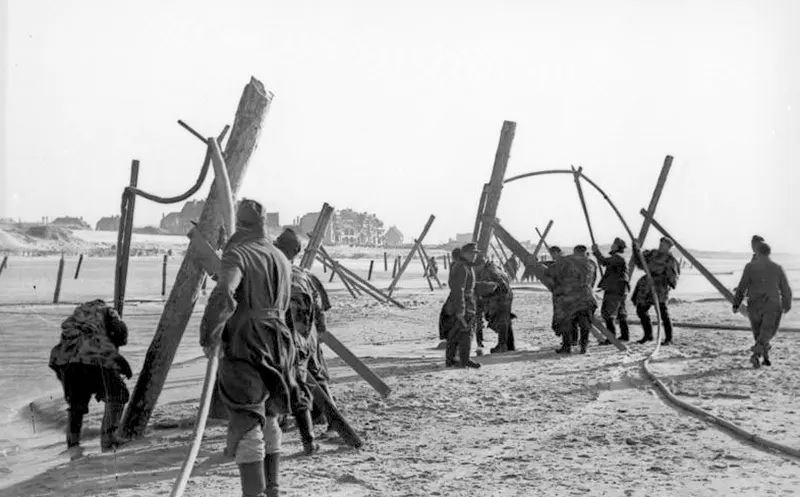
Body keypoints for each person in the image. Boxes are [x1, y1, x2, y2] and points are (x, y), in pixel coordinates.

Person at [199, 199, 295, 497]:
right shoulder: (280, 257)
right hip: (280, 342)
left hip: (246, 342)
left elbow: (224, 293)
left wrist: (210, 337)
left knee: (246, 419)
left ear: (239, 225)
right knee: (270, 415)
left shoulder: (238, 254)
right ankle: (273, 489)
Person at [274, 228, 334, 455]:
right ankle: (328, 420)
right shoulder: (306, 276)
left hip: (288, 336)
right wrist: (318, 335)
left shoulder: (276, 274)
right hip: (308, 336)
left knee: (284, 377)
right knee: (317, 375)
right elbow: (321, 311)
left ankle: (283, 422)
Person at [49, 299, 132, 460]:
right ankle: (108, 438)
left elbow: (61, 355)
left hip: (68, 366)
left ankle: (73, 446)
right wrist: (118, 360)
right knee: (119, 395)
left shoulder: (77, 317)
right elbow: (114, 335)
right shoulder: (109, 313)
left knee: (76, 407)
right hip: (94, 362)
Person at [733, 242, 792, 368]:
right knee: (767, 332)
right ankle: (756, 355)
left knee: (758, 333)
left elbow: (742, 286)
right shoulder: (777, 268)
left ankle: (764, 357)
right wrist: (787, 303)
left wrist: (736, 303)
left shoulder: (750, 267)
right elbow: (785, 288)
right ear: (769, 253)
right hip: (772, 304)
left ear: (757, 253)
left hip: (754, 305)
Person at [531, 246, 597, 354]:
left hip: (569, 299)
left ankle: (566, 347)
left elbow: (549, 272)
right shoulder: (591, 263)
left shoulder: (565, 261)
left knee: (567, 323)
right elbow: (593, 280)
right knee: (585, 324)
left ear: (574, 251)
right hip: (587, 297)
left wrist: (537, 264)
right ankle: (584, 347)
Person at [631, 237, 680, 345]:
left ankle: (669, 339)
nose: (661, 246)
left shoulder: (670, 260)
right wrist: (635, 248)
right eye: (660, 244)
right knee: (641, 310)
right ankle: (648, 335)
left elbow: (673, 277)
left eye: (664, 245)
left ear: (669, 247)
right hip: (647, 285)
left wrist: (665, 281)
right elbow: (640, 261)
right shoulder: (652, 254)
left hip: (660, 288)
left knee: (663, 313)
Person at [440, 242, 482, 368]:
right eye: (471, 253)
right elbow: (459, 289)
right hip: (462, 303)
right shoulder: (462, 267)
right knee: (463, 332)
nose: (474, 256)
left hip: (465, 302)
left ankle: (459, 359)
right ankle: (460, 360)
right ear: (464, 253)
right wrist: (461, 309)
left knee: (459, 332)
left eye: (475, 253)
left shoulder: (465, 266)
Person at [592, 237, 631, 343]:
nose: (612, 246)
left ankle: (611, 337)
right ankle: (625, 336)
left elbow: (604, 261)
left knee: (608, 313)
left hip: (615, 289)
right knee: (621, 313)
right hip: (620, 289)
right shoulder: (619, 257)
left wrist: (596, 251)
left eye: (614, 244)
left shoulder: (618, 258)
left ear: (618, 247)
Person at [476, 259, 516, 353]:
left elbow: (503, 286)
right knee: (504, 321)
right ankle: (509, 345)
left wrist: (488, 297)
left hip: (501, 298)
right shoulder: (493, 267)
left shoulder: (489, 271)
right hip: (505, 297)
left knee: (500, 321)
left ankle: (502, 346)